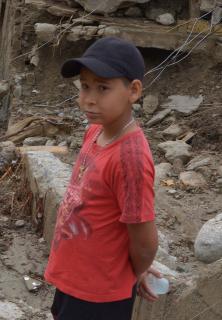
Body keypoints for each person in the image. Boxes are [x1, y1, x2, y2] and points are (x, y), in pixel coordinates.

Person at [45, 37, 161, 320]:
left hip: (99, 297)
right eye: (85, 86)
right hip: (74, 280)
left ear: (133, 91)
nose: (89, 98)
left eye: (103, 87)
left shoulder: (130, 159)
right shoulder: (96, 131)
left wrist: (131, 272)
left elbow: (145, 243)